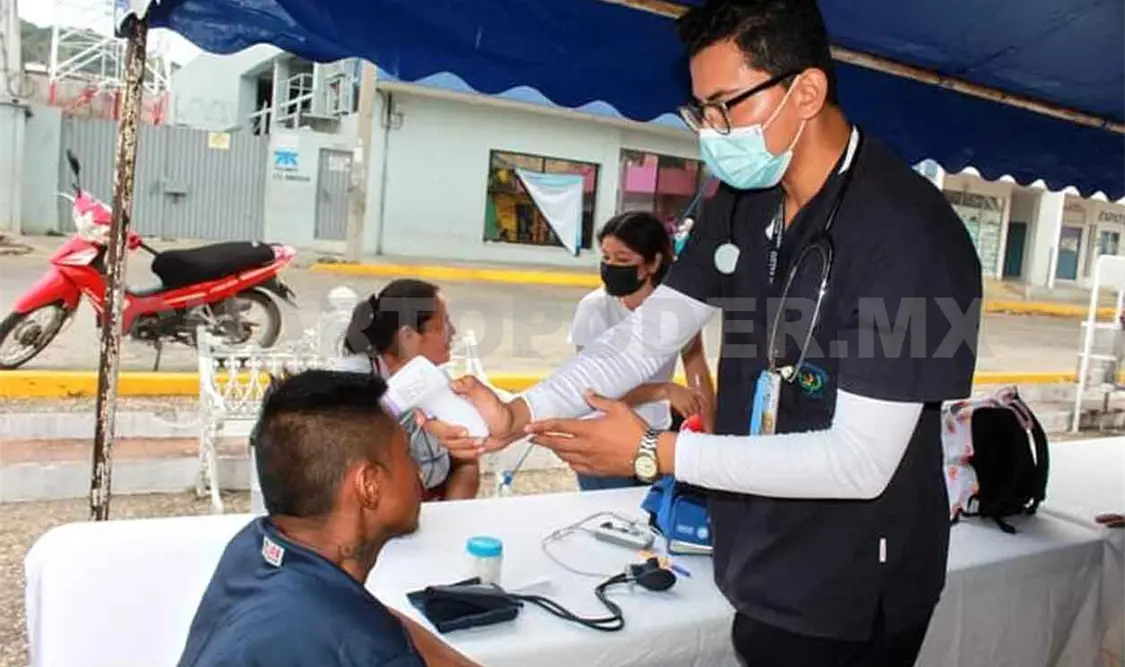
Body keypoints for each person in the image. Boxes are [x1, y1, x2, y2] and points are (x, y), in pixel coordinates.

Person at [430, 2, 983, 665]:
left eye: (725, 106)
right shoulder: (745, 202)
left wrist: (656, 452)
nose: (712, 132)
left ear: (806, 92)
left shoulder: (913, 235)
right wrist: (521, 412)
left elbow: (859, 462)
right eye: (701, 110)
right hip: (758, 556)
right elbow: (646, 335)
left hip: (852, 584)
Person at [177, 369, 478, 667]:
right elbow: (361, 636)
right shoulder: (372, 651)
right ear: (369, 486)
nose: (418, 470)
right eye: (407, 453)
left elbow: (358, 616)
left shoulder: (253, 549)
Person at [569, 210, 715, 490]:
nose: (610, 267)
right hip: (602, 438)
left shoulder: (676, 311)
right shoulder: (593, 309)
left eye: (622, 260)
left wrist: (710, 442)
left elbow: (698, 374)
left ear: (653, 263)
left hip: (653, 439)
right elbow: (593, 395)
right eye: (606, 258)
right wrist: (663, 390)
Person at [336, 279, 480, 501]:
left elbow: (467, 464)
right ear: (408, 337)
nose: (452, 332)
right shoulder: (353, 387)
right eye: (443, 324)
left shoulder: (435, 377)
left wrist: (450, 511)